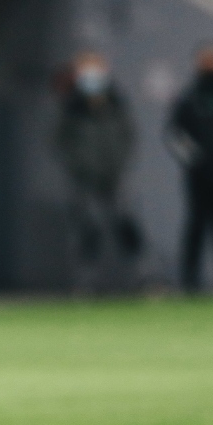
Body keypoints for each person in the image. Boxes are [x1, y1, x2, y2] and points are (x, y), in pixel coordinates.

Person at [54, 51, 141, 290]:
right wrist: (79, 166)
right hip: (84, 178)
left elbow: (128, 137)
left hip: (114, 175)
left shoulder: (116, 103)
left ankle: (142, 276)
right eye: (86, 71)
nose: (92, 76)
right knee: (87, 227)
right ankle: (86, 282)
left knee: (126, 223)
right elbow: (60, 142)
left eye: (96, 70)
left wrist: (118, 165)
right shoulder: (71, 106)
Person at [167, 45, 213, 291]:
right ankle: (190, 279)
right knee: (197, 226)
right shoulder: (190, 99)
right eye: (206, 60)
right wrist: (196, 161)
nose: (211, 65)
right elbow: (175, 135)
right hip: (201, 178)